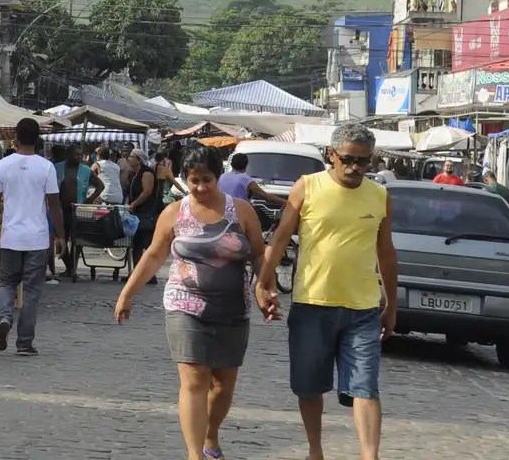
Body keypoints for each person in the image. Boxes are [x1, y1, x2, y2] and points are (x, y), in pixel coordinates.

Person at [256, 123, 397, 460]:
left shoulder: (379, 196)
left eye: (363, 161)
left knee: (365, 387)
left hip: (362, 309)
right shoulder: (308, 187)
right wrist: (263, 280)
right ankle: (315, 450)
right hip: (312, 304)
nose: (355, 167)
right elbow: (281, 236)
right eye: (348, 159)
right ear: (332, 155)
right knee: (309, 386)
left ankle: (370, 456)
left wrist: (391, 303)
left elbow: (386, 252)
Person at [116, 145, 266, 460]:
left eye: (206, 180)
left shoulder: (241, 211)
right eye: (193, 180)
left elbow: (258, 254)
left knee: (223, 385)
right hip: (185, 306)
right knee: (195, 379)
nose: (199, 187)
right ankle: (195, 455)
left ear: (218, 177)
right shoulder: (175, 213)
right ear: (185, 178)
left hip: (233, 309)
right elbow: (154, 255)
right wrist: (127, 293)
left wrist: (266, 287)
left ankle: (211, 437)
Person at [0, 117, 64, 356]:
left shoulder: (4, 165)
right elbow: (54, 205)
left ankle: (4, 317)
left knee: (7, 282)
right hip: (37, 239)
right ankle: (24, 343)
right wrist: (61, 236)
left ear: (15, 138)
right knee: (32, 291)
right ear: (37, 139)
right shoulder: (46, 167)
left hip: (11, 236)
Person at [56, 148, 105, 279]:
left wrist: (90, 198)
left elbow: (100, 185)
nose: (79, 157)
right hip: (60, 210)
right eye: (76, 154)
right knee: (60, 241)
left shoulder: (85, 170)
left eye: (80, 155)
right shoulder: (57, 168)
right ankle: (69, 267)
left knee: (77, 241)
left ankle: (72, 269)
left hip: (78, 210)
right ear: (68, 155)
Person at [125, 148, 163, 285]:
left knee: (147, 244)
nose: (128, 158)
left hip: (148, 213)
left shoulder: (146, 172)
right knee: (136, 244)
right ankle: (137, 274)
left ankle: (149, 274)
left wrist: (134, 204)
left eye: (131, 156)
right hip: (137, 213)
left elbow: (147, 192)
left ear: (138, 159)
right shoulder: (133, 174)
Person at [219, 152, 289, 210]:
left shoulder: (222, 177)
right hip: (239, 213)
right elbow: (266, 197)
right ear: (246, 165)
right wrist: (287, 203)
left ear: (231, 164)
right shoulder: (245, 179)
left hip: (221, 211)